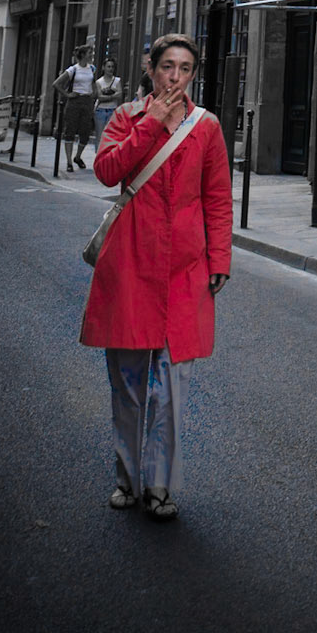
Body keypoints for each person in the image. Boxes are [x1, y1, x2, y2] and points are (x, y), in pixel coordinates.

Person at [80, 32, 233, 520]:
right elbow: (107, 171)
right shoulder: (127, 117)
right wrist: (150, 125)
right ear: (151, 69)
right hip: (129, 265)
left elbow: (218, 198)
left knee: (169, 388)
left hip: (184, 270)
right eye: (167, 66)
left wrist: (219, 260)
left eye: (185, 68)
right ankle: (127, 478)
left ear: (193, 75)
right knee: (128, 385)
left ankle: (160, 486)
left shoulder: (206, 127)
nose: (175, 76)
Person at [54, 44, 97, 172]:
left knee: (85, 131)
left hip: (87, 101)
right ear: (83, 55)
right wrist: (67, 94)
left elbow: (93, 83)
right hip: (74, 101)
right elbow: (56, 84)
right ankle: (68, 161)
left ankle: (78, 156)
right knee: (70, 131)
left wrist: (94, 94)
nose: (92, 55)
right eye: (90, 53)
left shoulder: (92, 68)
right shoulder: (73, 69)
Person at [93, 59, 123, 143]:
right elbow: (100, 97)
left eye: (112, 67)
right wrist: (113, 95)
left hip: (113, 110)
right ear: (104, 68)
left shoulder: (117, 81)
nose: (111, 69)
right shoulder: (99, 82)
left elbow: (120, 95)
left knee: (111, 135)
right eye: (108, 66)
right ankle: (99, 154)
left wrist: (106, 95)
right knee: (100, 135)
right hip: (100, 111)